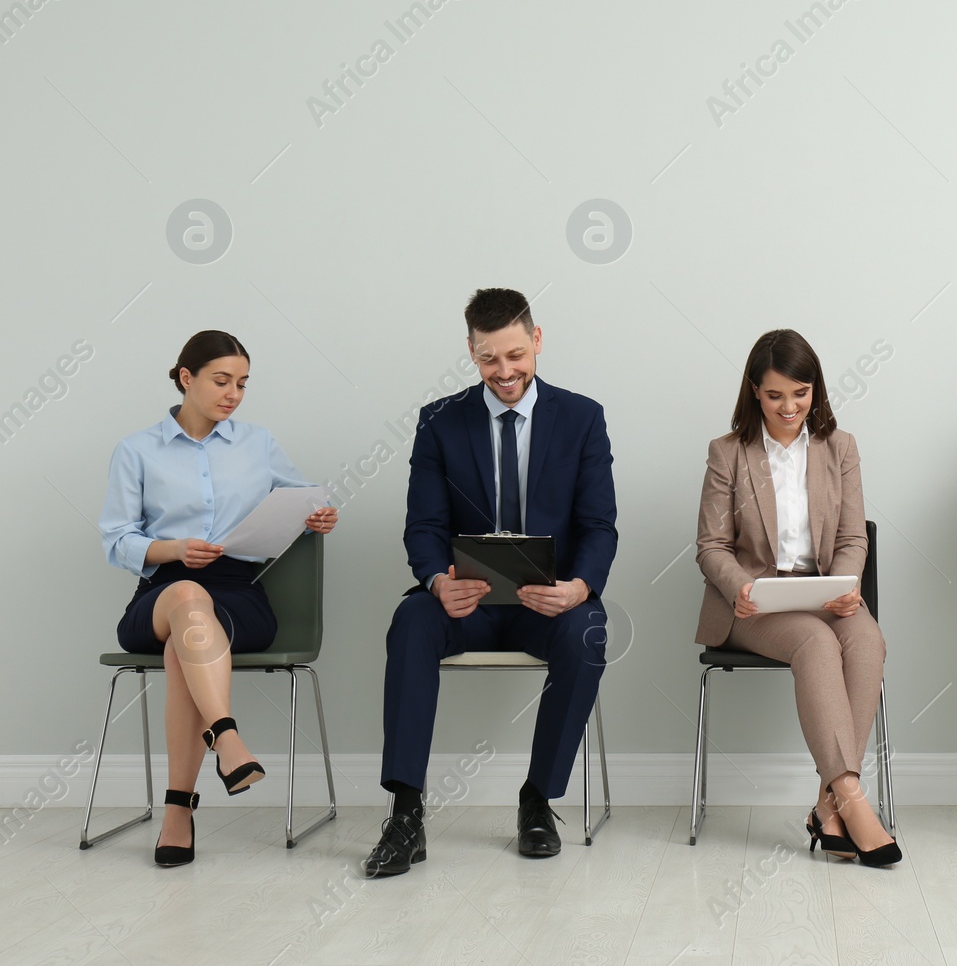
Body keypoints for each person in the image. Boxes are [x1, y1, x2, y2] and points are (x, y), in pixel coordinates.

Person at [365, 287, 618, 878]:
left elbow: (599, 527)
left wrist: (578, 588)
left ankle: (538, 799)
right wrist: (434, 581)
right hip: (467, 602)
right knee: (410, 621)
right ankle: (405, 814)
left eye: (513, 355)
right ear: (471, 353)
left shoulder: (582, 418)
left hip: (546, 602)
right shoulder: (439, 421)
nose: (503, 372)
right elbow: (423, 526)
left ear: (536, 340)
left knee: (589, 630)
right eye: (487, 359)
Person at [99, 331, 338, 868]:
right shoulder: (137, 450)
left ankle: (177, 812)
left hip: (237, 595)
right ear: (187, 378)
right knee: (184, 594)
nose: (234, 394)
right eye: (221, 381)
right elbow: (116, 540)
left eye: (243, 384)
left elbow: (302, 500)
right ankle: (227, 739)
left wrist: (320, 515)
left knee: (184, 645)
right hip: (160, 592)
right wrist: (174, 547)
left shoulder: (258, 443)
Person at [696, 329, 900, 867]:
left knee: (867, 642)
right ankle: (853, 801)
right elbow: (710, 545)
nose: (790, 407)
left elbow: (854, 537)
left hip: (825, 594)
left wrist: (845, 585)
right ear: (754, 394)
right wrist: (739, 585)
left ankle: (825, 804)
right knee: (814, 642)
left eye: (801, 393)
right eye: (775, 395)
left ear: (816, 390)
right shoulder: (728, 454)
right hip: (753, 604)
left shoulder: (840, 448)